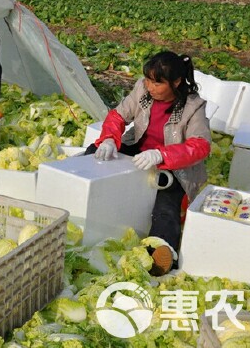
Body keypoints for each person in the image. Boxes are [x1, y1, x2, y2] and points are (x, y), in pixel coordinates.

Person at [86, 51, 211, 276]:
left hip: (172, 164)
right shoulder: (142, 91)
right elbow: (118, 116)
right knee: (96, 152)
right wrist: (109, 139)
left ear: (176, 82)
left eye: (157, 82)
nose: (150, 86)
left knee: (165, 201)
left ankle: (160, 252)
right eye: (148, 80)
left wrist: (162, 155)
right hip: (139, 150)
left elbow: (200, 146)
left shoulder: (193, 107)